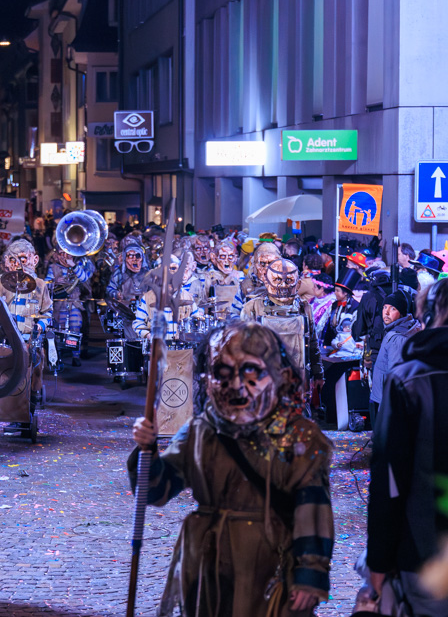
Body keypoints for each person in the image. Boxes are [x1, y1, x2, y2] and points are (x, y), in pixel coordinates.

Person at [130, 322, 333, 616]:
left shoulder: (298, 435)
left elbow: (313, 508)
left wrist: (309, 574)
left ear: (279, 376)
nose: (236, 385)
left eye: (251, 372)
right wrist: (147, 451)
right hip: (207, 568)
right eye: (222, 374)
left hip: (268, 566)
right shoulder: (200, 431)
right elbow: (156, 490)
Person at [368, 280, 448, 615]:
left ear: (430, 314)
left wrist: (379, 558)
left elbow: (389, 474)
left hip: (424, 550)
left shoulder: (410, 379)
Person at [242, 258, 324, 403]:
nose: (283, 286)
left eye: (289, 281)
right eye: (278, 280)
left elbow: (312, 343)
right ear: (266, 282)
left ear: (298, 284)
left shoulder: (304, 307)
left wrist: (318, 374)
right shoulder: (253, 307)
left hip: (298, 383)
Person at [368, 289, 421, 421]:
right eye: (385, 307)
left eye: (392, 309)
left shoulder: (397, 337)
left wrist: (386, 409)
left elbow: (395, 376)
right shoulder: (398, 330)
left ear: (402, 313)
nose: (386, 313)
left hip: (388, 402)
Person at [205, 241, 244, 319]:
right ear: (213, 258)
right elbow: (204, 303)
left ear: (235, 258)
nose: (227, 260)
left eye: (231, 256)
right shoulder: (208, 277)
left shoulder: (240, 276)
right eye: (223, 256)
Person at [107, 242, 148, 308]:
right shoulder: (119, 273)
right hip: (125, 310)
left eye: (138, 256)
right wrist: (116, 294)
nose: (135, 259)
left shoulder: (148, 274)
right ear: (125, 259)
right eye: (131, 256)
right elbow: (110, 288)